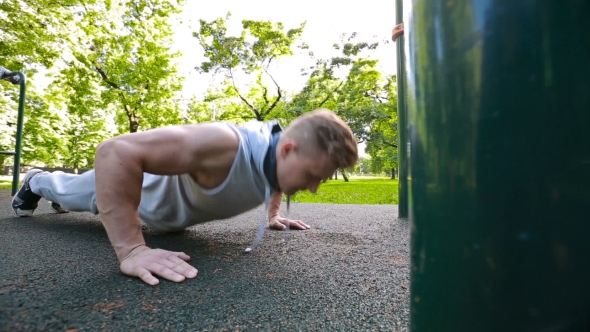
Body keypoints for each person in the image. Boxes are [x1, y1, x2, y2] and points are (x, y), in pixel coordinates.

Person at [11, 108, 359, 286]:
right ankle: (36, 179)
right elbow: (115, 152)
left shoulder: (278, 159)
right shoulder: (224, 143)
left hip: (167, 216)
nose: (313, 187)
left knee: (71, 197)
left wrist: (272, 214)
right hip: (140, 195)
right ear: (288, 150)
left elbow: (276, 179)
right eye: (313, 176)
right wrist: (132, 249)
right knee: (69, 192)